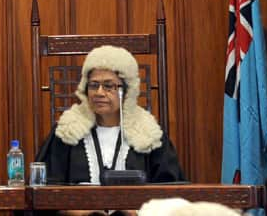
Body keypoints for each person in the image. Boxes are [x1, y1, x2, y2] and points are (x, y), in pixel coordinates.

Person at [36, 45, 184, 215]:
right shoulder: (67, 132)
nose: (99, 92)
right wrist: (77, 213)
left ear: (127, 91)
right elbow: (44, 194)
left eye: (109, 86)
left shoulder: (149, 135)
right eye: (93, 85)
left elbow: (172, 195)